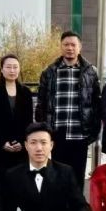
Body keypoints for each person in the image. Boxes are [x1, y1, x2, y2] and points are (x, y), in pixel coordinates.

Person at [35, 31, 101, 187]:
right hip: (57, 132)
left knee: (78, 177)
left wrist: (93, 131)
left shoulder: (90, 72)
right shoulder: (49, 72)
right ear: (61, 46)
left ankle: (77, 203)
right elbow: (41, 103)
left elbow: (96, 104)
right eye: (66, 44)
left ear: (80, 47)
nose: (70, 48)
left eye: (73, 45)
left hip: (80, 133)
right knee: (58, 177)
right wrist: (44, 130)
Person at [0, 54, 33, 175]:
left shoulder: (25, 92)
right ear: (1, 69)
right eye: (8, 67)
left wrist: (22, 141)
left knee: (20, 180)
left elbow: (28, 121)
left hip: (21, 147)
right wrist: (2, 142)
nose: (12, 70)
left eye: (15, 67)